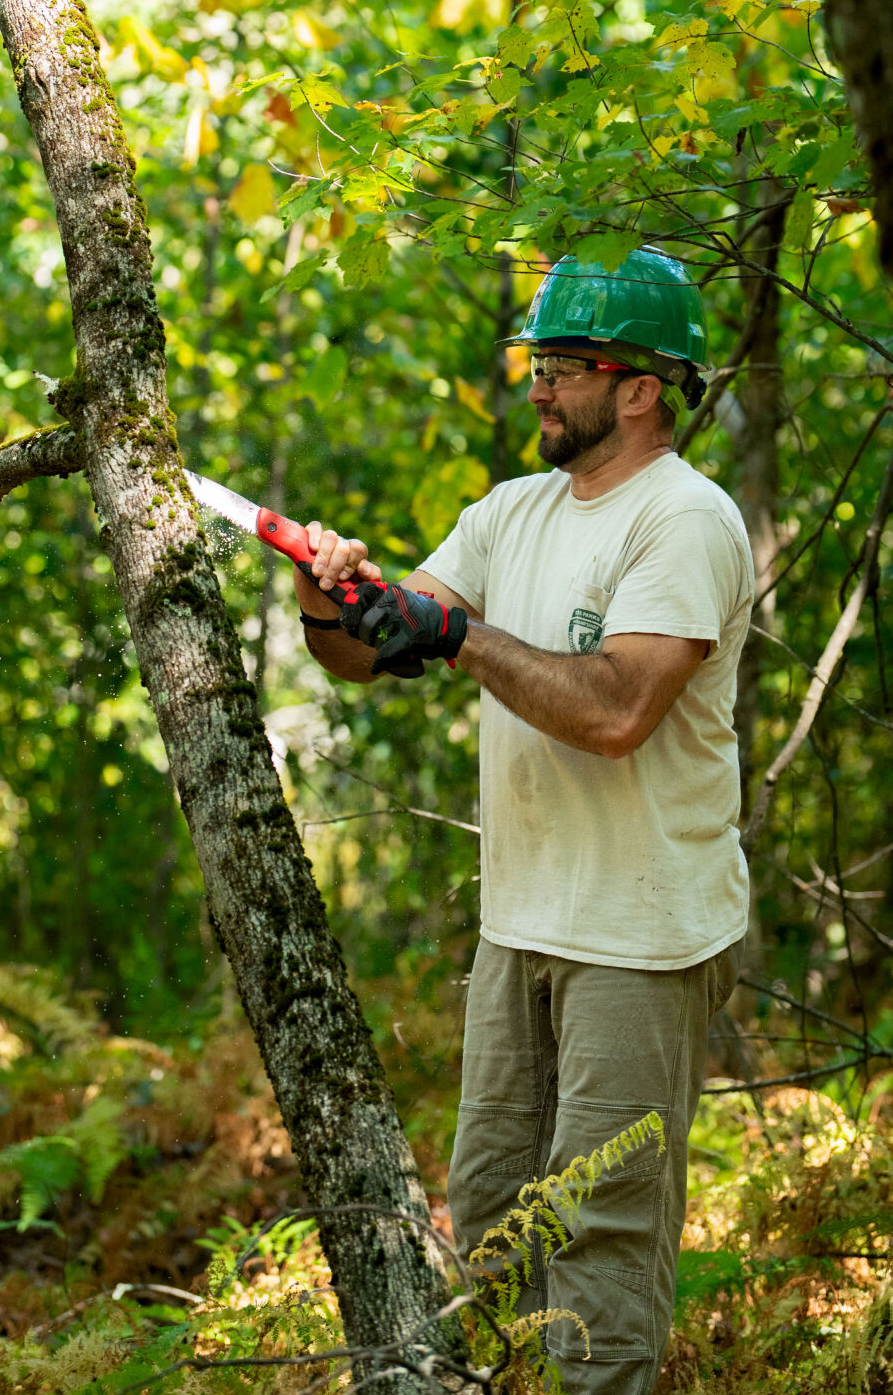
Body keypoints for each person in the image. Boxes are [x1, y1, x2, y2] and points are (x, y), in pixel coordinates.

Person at [294, 247, 752, 1395]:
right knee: (497, 1216)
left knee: (599, 1234)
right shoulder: (509, 513)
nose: (535, 386)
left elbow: (614, 713)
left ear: (638, 388)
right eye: (534, 364)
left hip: (641, 937)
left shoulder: (684, 521)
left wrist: (455, 637)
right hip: (520, 927)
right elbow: (375, 648)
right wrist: (329, 599)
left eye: (559, 367)